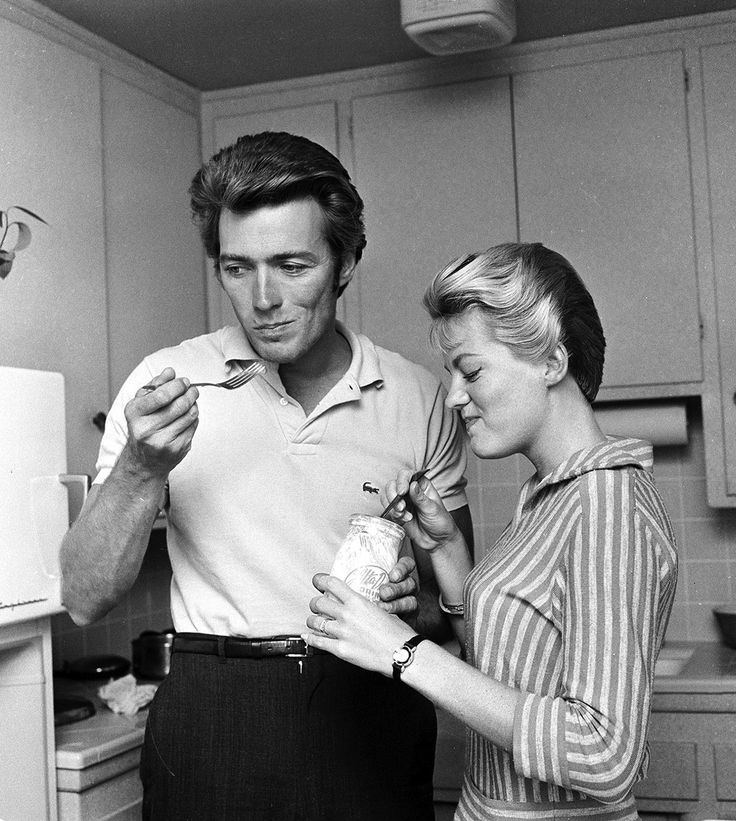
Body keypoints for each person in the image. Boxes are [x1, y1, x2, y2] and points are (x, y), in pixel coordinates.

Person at [59, 131, 474, 820]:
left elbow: (458, 606)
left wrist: (414, 605)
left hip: (371, 701)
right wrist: (140, 466)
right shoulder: (167, 382)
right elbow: (82, 597)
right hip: (214, 707)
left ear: (344, 263)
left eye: (291, 264)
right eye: (237, 267)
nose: (263, 297)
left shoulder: (418, 396)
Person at [306, 242, 678, 821]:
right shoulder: (550, 496)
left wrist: (399, 651)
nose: (454, 396)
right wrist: (446, 550)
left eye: (470, 370)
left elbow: (605, 755)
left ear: (552, 362)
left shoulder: (607, 504)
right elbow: (511, 671)